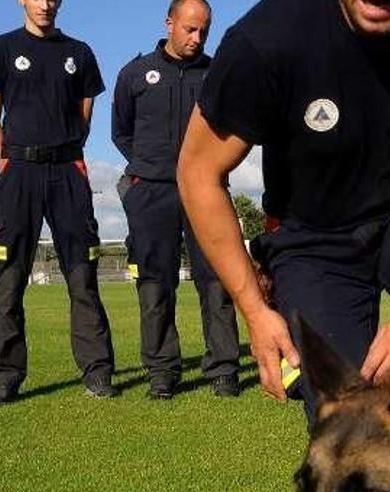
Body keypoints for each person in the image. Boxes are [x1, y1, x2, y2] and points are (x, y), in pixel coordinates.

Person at [177, 0, 390, 418]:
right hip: (313, 236)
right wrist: (254, 309)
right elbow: (198, 174)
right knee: (346, 414)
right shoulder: (267, 35)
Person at [0, 0, 116, 404]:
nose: (46, 4)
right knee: (10, 278)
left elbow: (83, 122)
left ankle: (98, 372)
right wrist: (15, 160)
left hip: (68, 172)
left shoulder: (80, 53)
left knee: (82, 276)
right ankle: (6, 377)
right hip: (19, 173)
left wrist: (62, 156)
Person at [112, 0, 241, 400]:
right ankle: (162, 372)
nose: (196, 38)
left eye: (203, 30)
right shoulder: (135, 73)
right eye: (189, 29)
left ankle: (223, 369)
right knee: (155, 282)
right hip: (151, 191)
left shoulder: (218, 73)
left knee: (216, 278)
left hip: (205, 190)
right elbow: (122, 132)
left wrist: (209, 172)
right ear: (169, 23)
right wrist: (148, 173)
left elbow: (234, 129)